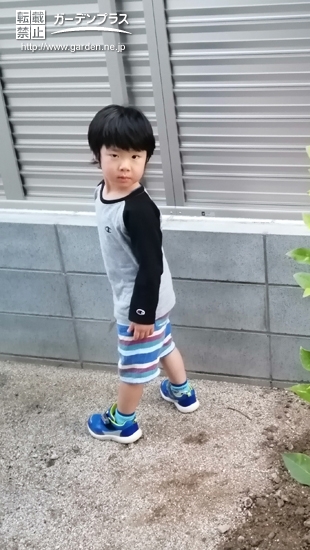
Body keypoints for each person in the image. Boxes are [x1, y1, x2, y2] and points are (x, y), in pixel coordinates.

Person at [86, 104, 199, 444]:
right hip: (150, 299)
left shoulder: (139, 210)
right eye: (115, 155)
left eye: (136, 157)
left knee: (133, 366)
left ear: (147, 157)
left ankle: (123, 422)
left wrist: (141, 312)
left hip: (142, 301)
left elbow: (151, 265)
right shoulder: (104, 192)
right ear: (98, 154)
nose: (125, 166)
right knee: (163, 343)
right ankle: (183, 392)